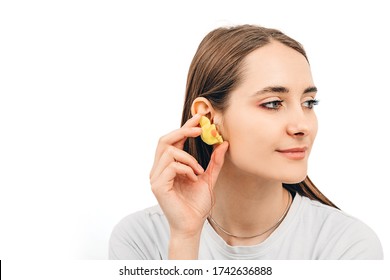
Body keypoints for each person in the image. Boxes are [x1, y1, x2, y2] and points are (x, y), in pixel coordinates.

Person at [109, 24, 383, 260]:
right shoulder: (140, 239)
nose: (302, 126)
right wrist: (185, 238)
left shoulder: (346, 246)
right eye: (274, 103)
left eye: (309, 102)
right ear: (208, 117)